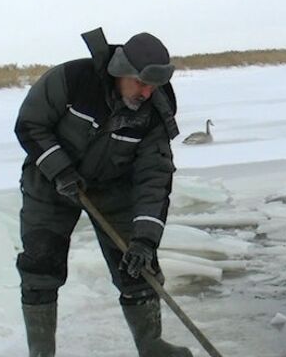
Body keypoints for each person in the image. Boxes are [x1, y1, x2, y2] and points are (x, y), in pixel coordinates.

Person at [14, 28, 192, 357]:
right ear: (121, 71)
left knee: (140, 267)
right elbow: (29, 124)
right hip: (50, 182)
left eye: (153, 85)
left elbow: (154, 175)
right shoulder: (72, 79)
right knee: (40, 267)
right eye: (141, 82)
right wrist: (60, 170)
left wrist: (145, 238)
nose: (147, 92)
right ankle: (40, 353)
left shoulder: (154, 113)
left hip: (113, 188)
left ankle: (152, 346)